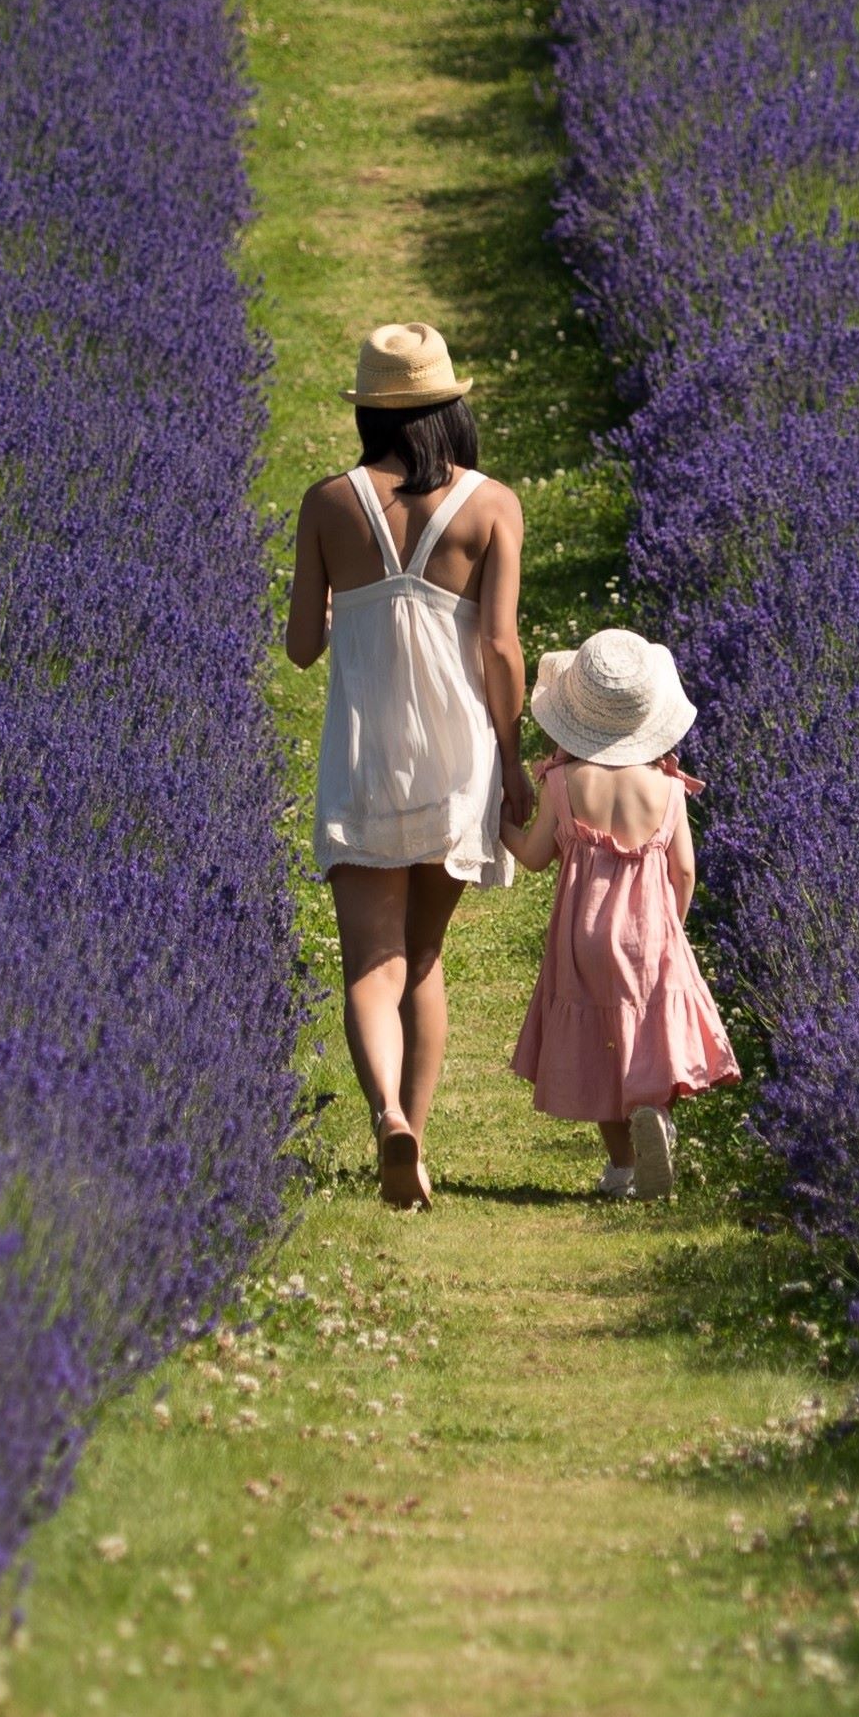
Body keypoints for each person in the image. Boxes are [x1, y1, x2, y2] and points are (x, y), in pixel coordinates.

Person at [288, 321, 530, 1210]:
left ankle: (387, 1113)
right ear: (451, 408)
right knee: (424, 960)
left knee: (371, 963)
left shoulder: (327, 502)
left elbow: (302, 648)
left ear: (369, 414)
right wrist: (513, 763)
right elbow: (500, 650)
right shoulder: (493, 504)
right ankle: (416, 1144)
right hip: (458, 755)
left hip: (363, 753)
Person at [507, 627, 739, 1199]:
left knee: (597, 1039)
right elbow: (684, 871)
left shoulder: (563, 783)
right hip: (652, 932)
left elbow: (535, 857)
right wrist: (671, 925)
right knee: (647, 1027)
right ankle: (652, 1111)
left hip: (582, 937)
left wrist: (498, 826)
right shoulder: (667, 789)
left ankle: (621, 1167)